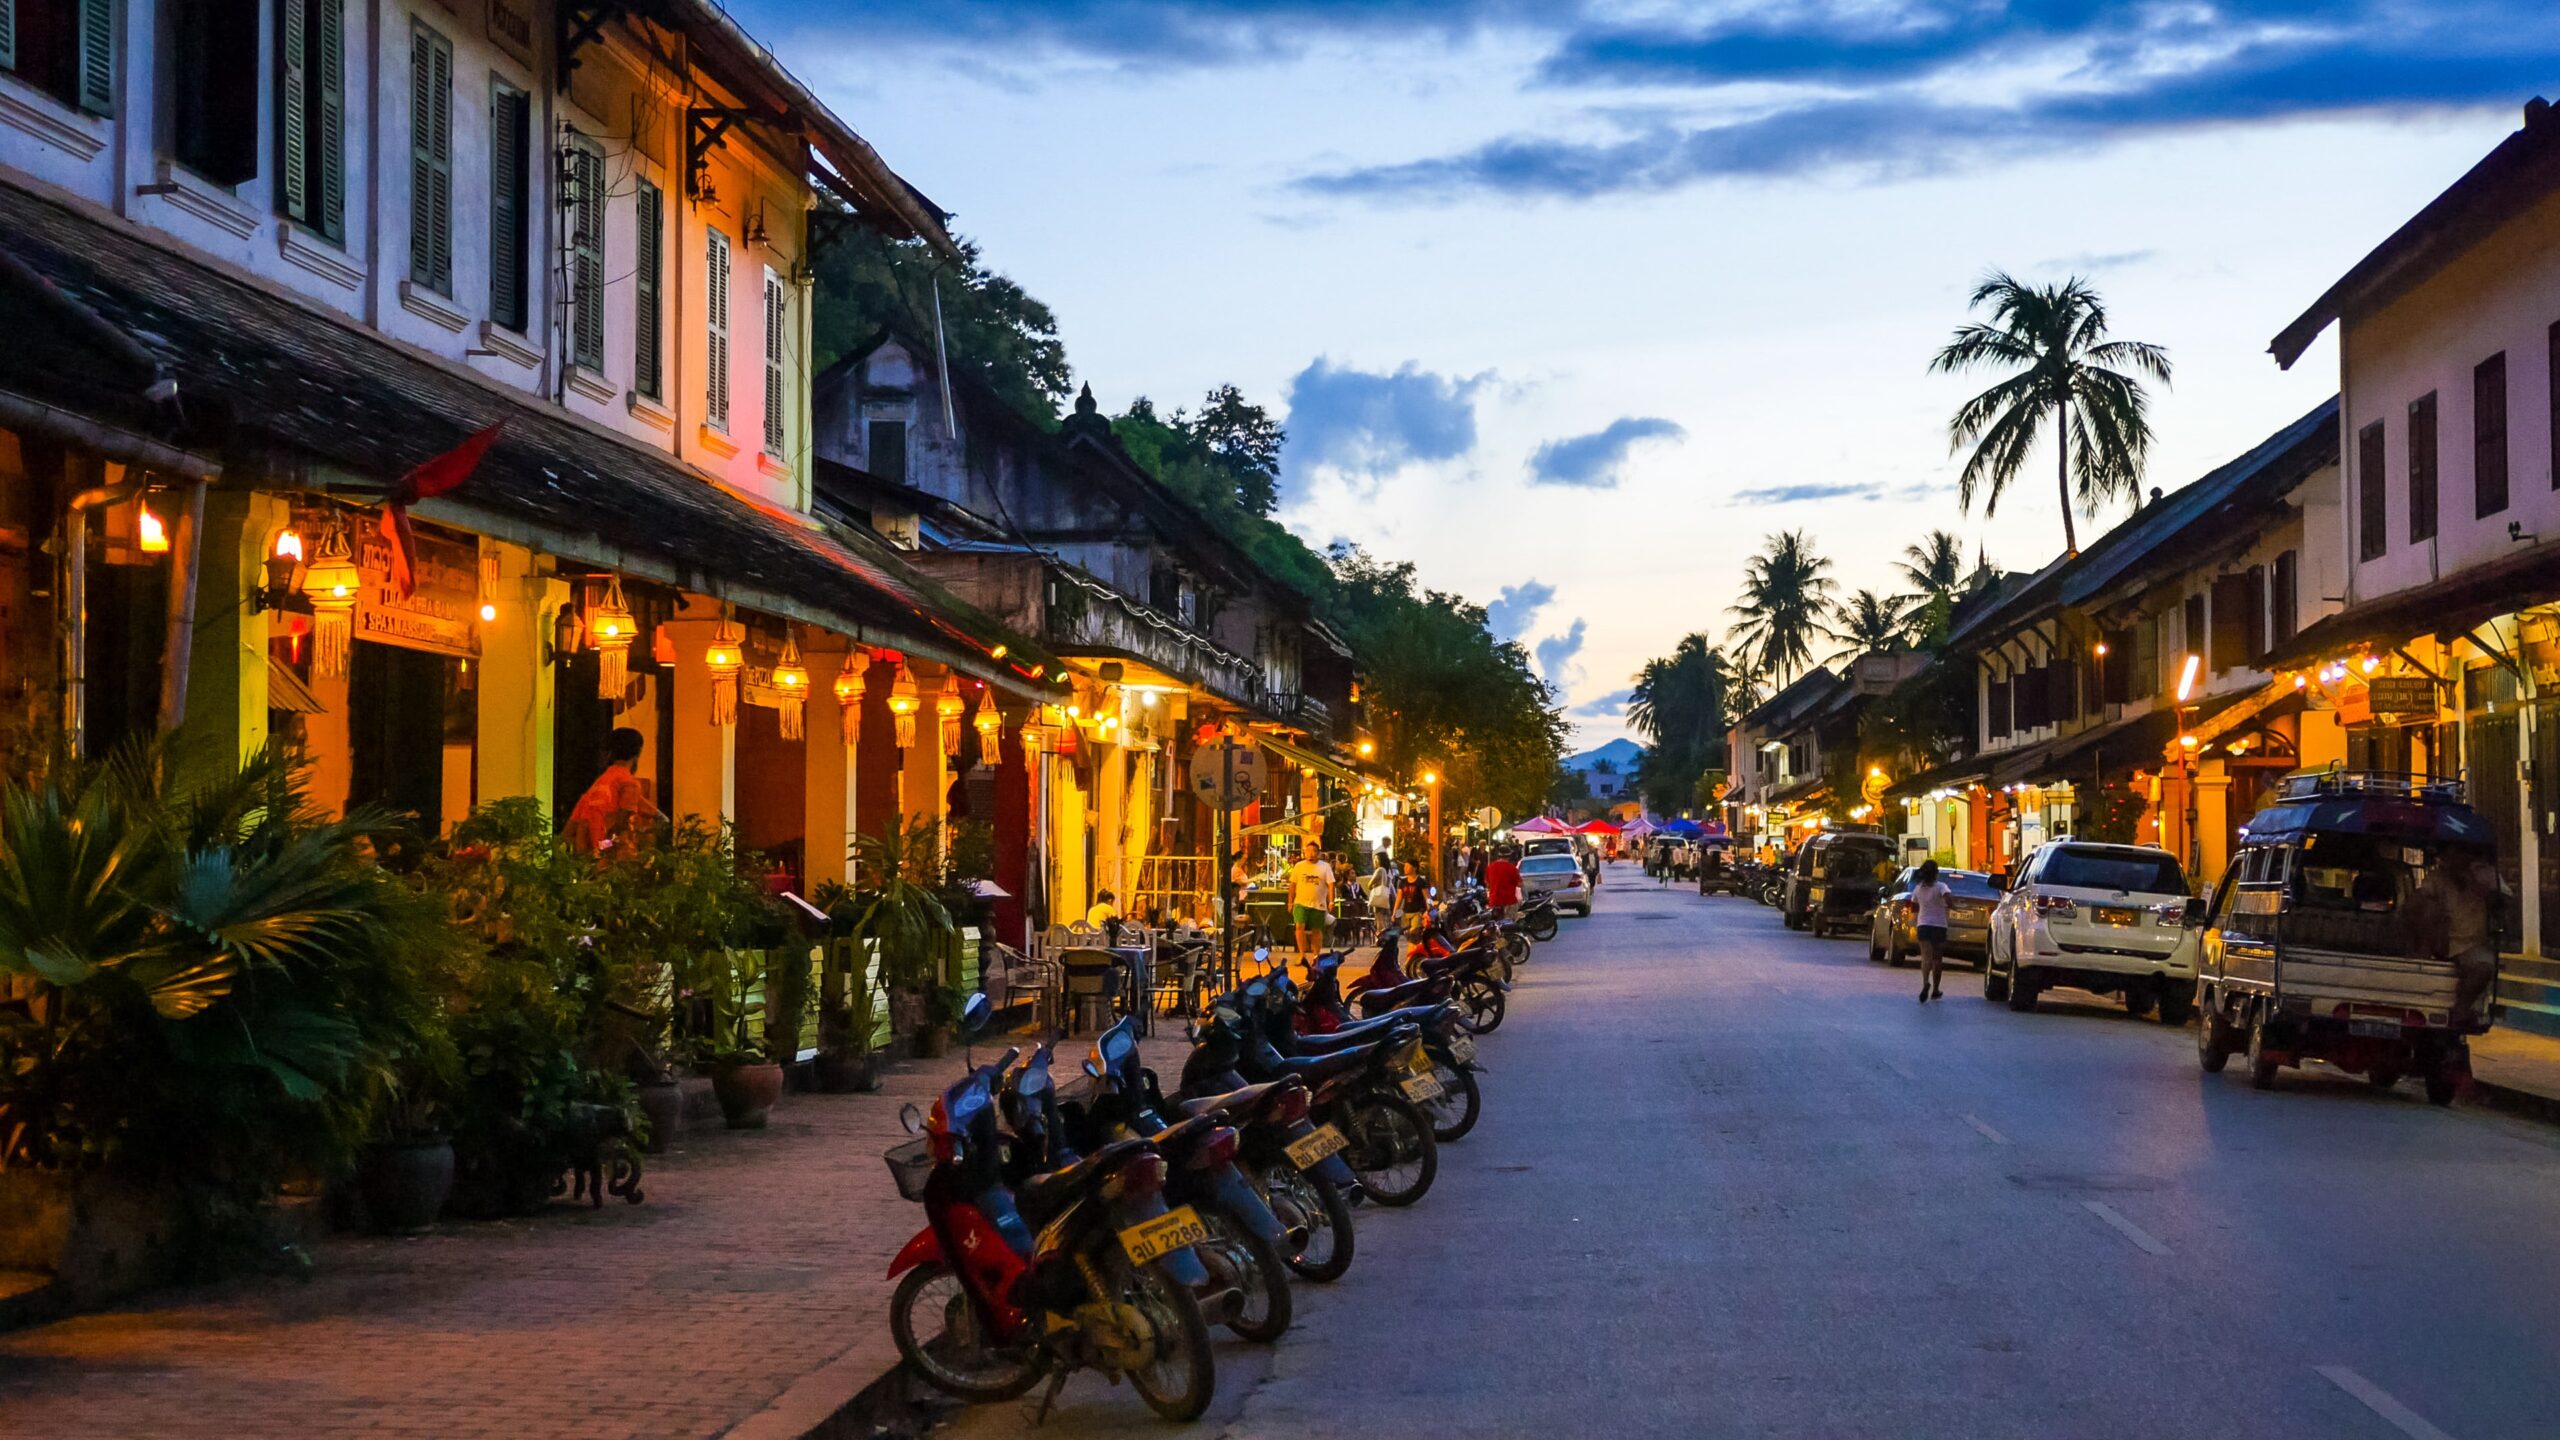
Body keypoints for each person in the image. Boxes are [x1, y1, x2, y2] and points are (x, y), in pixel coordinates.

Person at [2412, 841, 2504, 1029]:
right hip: (2442, 941)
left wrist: (2484, 889)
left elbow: (2504, 901)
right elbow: (2419, 901)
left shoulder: (2484, 875)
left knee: (2484, 968)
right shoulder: (2438, 878)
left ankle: (2461, 1009)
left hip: (2471, 944)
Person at [564, 727, 663, 854]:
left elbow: (566, 835)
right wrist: (605, 846)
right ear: (638, 754)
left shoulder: (594, 789)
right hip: (615, 863)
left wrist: (590, 850)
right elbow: (621, 827)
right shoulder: (629, 784)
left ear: (611, 753)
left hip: (590, 865)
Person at [1907, 859, 1953, 1003]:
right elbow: (1948, 900)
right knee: (1937, 959)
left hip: (1923, 925)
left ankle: (1925, 982)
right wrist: (1952, 906)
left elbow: (1913, 907)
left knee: (1926, 957)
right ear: (1936, 873)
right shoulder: (1941, 887)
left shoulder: (1918, 888)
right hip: (1939, 926)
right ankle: (1935, 989)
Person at [1287, 842, 1331, 958]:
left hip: (1318, 903)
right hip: (1300, 902)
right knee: (1299, 926)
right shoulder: (1299, 866)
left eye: (1314, 851)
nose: (1311, 854)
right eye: (1308, 851)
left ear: (1318, 853)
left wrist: (1331, 901)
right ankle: (1302, 953)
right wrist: (1290, 902)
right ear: (1305, 852)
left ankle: (1316, 955)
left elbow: (1331, 884)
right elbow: (1292, 885)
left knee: (1316, 930)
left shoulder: (1325, 867)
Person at [1485, 845, 1522, 918]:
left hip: (1494, 901)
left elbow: (1487, 883)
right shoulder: (1512, 868)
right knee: (1509, 925)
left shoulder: (1490, 867)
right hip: (1509, 901)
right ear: (1509, 856)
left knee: (1495, 926)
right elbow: (1519, 884)